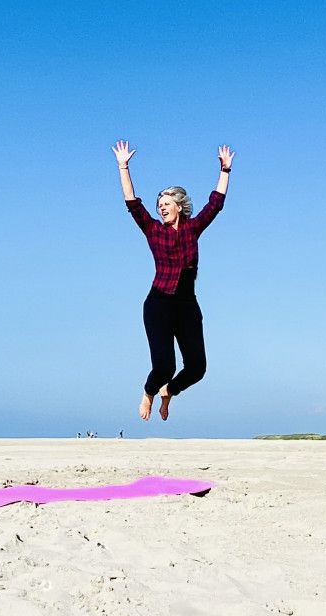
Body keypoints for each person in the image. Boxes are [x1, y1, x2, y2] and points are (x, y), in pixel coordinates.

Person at [114, 140, 233, 421]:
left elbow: (215, 205)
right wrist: (123, 166)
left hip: (187, 305)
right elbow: (132, 204)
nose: (161, 208)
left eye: (167, 204)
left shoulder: (193, 229)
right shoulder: (153, 230)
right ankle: (149, 392)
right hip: (159, 304)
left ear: (179, 206)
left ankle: (169, 392)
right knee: (164, 366)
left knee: (197, 368)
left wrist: (225, 170)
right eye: (159, 205)